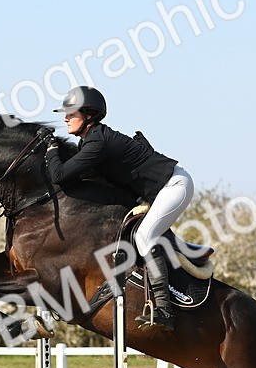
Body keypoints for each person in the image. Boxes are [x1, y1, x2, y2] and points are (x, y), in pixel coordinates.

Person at [41, 86, 194, 330]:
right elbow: (72, 180)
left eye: (71, 112)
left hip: (174, 185)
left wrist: (51, 150)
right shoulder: (90, 143)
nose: (65, 117)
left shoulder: (97, 142)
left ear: (89, 114)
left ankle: (165, 309)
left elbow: (59, 175)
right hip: (160, 188)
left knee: (145, 236)